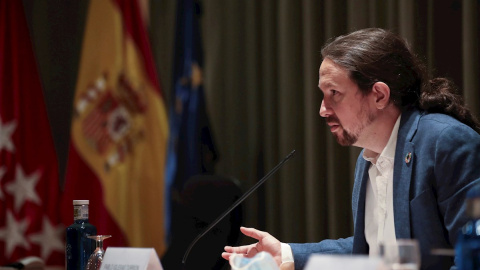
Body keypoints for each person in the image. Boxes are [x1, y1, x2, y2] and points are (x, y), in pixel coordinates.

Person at [221, 28, 480, 270]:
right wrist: (286, 254)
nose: (323, 110)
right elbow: (371, 253)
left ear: (379, 95)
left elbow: (474, 257)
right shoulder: (367, 158)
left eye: (334, 93)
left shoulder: (446, 142)